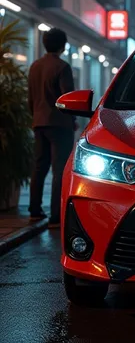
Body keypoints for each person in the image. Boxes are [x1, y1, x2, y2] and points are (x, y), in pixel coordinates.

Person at [28, 28, 76, 228]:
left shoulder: (35, 66)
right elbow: (68, 99)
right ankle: (56, 216)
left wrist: (36, 117)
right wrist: (73, 119)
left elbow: (31, 98)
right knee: (59, 169)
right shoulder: (62, 67)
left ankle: (35, 210)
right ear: (62, 45)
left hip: (39, 122)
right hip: (59, 124)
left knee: (39, 167)